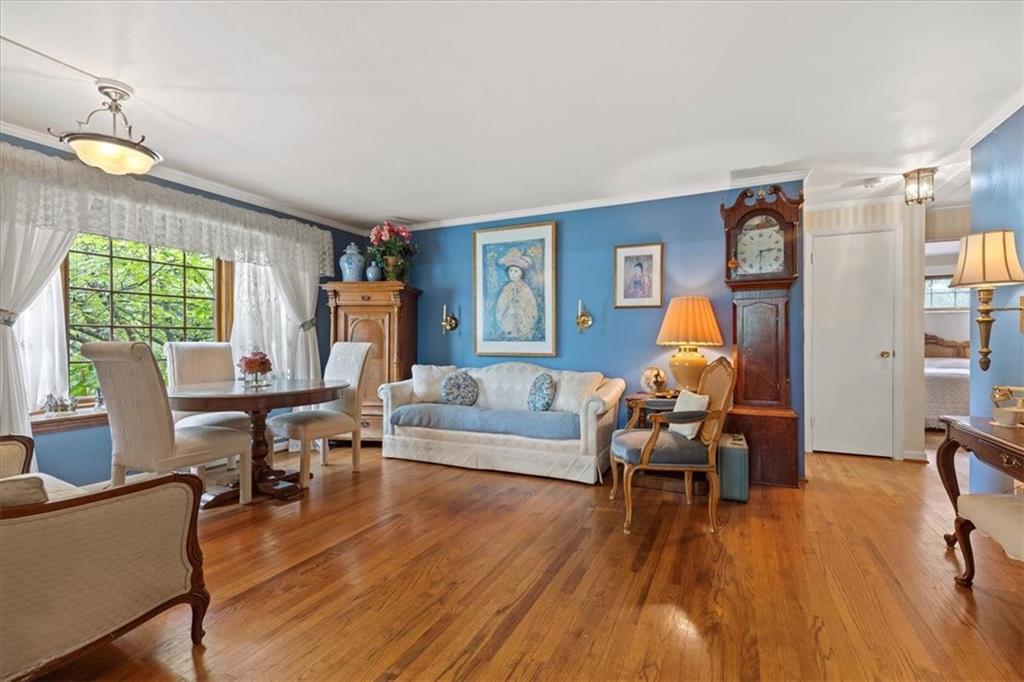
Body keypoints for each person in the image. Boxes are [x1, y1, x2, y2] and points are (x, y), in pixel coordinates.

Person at [495, 250, 539, 339]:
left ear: (521, 273)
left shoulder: (526, 289)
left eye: (516, 271)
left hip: (522, 321)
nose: (512, 274)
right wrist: (508, 309)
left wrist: (520, 310)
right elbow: (501, 306)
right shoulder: (506, 288)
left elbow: (531, 307)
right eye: (511, 271)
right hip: (509, 320)